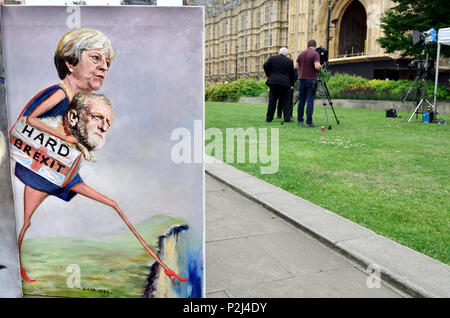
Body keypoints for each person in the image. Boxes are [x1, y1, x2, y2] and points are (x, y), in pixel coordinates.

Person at [13, 29, 188, 286]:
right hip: (42, 169)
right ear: (70, 63)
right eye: (95, 58)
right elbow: (29, 119)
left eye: (107, 62)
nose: (103, 67)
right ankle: (21, 271)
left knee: (113, 204)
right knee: (26, 218)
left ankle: (165, 268)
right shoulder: (60, 93)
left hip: (64, 170)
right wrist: (68, 139)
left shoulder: (78, 99)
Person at [263, 47, 297, 122]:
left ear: (279, 52)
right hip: (285, 84)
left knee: (272, 101)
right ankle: (287, 118)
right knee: (286, 101)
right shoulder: (289, 61)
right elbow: (292, 74)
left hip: (273, 82)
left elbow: (265, 66)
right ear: (286, 54)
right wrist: (291, 83)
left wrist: (269, 74)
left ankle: (269, 118)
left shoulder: (272, 58)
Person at [294, 39, 323, 127]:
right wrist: (321, 66)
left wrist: (303, 68)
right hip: (311, 80)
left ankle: (300, 121)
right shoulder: (315, 54)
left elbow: (295, 66)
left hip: (302, 79)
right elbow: (317, 66)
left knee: (301, 101)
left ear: (308, 45)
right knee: (310, 101)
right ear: (315, 46)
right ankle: (309, 122)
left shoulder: (301, 54)